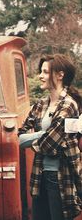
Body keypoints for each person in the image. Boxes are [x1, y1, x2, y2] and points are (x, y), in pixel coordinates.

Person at [18, 54, 82, 220]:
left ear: (60, 75)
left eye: (45, 72)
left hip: (60, 177)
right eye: (41, 71)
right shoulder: (40, 104)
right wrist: (43, 135)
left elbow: (48, 146)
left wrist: (32, 139)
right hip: (39, 173)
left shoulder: (69, 105)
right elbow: (19, 137)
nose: (40, 76)